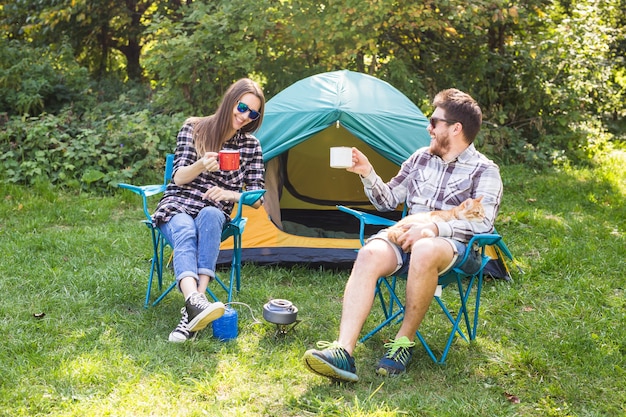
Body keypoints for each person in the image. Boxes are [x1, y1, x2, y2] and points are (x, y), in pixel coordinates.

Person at [302, 88, 502, 381]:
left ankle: (403, 343)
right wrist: (367, 173)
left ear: (456, 128)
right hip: (407, 239)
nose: (428, 128)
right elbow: (387, 200)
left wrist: (433, 228)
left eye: (434, 122)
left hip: (455, 249)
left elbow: (483, 224)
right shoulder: (421, 158)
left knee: (425, 248)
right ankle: (343, 351)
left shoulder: (485, 170)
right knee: (369, 252)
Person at [152, 78, 265, 342]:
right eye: (242, 107)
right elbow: (178, 177)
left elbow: (258, 197)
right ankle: (196, 301)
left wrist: (230, 194)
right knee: (184, 228)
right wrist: (202, 164)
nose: (245, 115)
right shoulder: (194, 128)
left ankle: (194, 304)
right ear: (230, 101)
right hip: (179, 201)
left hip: (214, 210)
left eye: (253, 113)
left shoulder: (251, 146)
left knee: (212, 215)